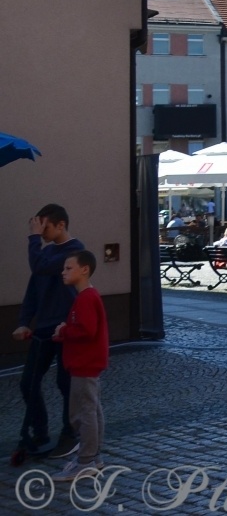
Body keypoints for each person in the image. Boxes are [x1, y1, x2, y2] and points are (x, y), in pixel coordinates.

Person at [14, 205, 85, 460]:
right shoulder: (45, 254)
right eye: (38, 228)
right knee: (28, 382)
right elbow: (33, 289)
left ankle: (71, 434)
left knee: (65, 383)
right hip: (44, 328)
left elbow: (40, 268)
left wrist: (33, 238)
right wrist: (24, 321)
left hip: (67, 328)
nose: (40, 233)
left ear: (60, 225)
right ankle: (40, 430)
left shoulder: (75, 252)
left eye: (44, 227)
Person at [50, 251, 107, 482]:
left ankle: (85, 461)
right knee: (92, 410)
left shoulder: (86, 297)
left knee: (83, 413)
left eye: (68, 268)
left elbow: (86, 330)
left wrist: (63, 331)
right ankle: (93, 457)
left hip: (85, 363)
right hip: (87, 363)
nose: (63, 272)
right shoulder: (86, 296)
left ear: (84, 269)